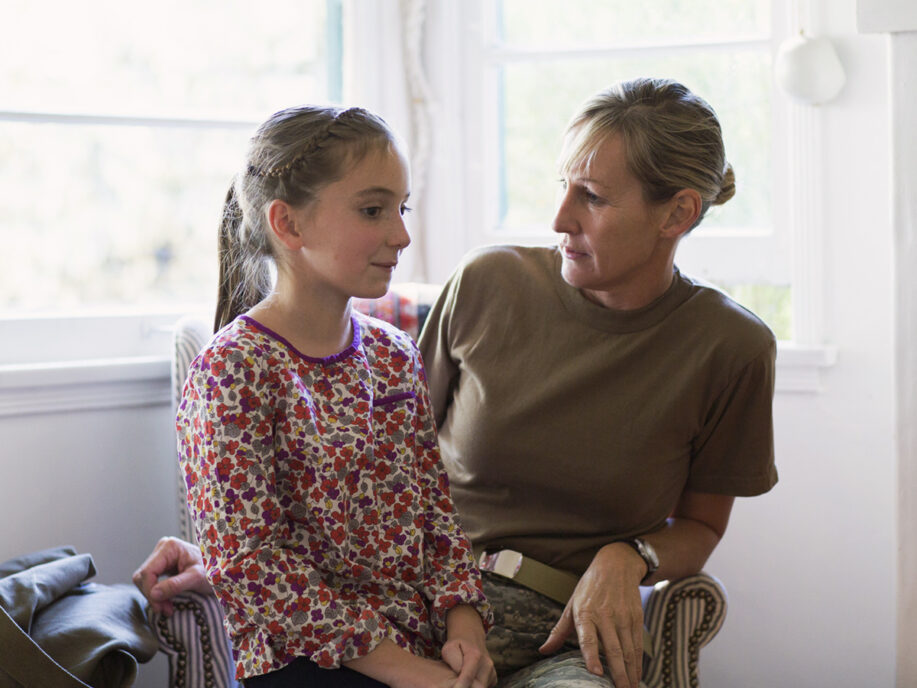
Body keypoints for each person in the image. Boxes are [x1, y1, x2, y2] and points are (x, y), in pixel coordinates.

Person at [136, 79, 777, 688]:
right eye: (564, 187)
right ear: (287, 224)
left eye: (593, 197)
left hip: (551, 631)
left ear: (679, 213)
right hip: (408, 628)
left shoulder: (733, 349)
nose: (558, 218)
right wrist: (223, 555)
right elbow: (371, 487)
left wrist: (631, 554)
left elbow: (698, 526)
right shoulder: (486, 285)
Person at [162, 104, 494, 688]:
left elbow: (436, 517)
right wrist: (408, 673)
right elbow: (252, 568)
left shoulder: (395, 355)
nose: (402, 234)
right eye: (373, 210)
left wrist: (464, 628)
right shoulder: (232, 372)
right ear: (288, 224)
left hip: (422, 647)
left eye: (402, 207)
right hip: (309, 664)